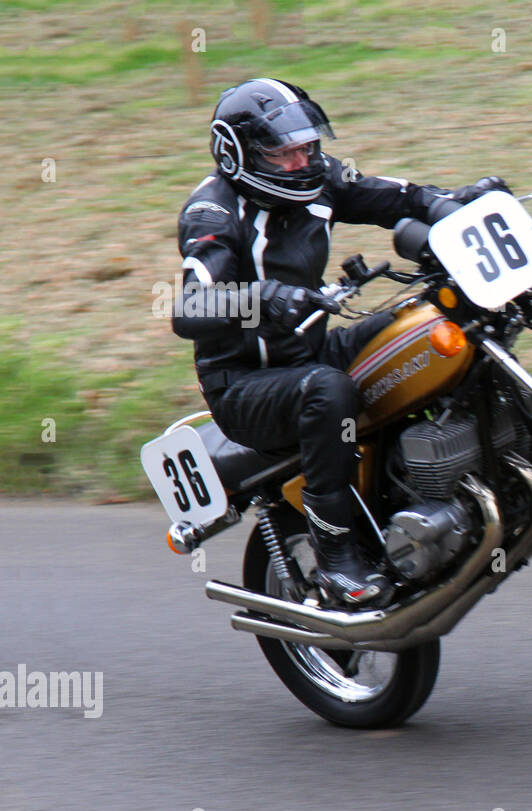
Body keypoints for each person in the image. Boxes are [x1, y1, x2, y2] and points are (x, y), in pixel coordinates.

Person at [172, 77, 508, 607]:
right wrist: (264, 297)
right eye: (284, 153)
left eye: (307, 146)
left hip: (311, 351)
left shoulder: (319, 177)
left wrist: (452, 204)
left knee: (432, 317)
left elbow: (394, 197)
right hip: (244, 385)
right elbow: (189, 307)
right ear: (237, 155)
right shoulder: (212, 213)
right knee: (327, 390)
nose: (302, 162)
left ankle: (467, 467)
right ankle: (335, 558)